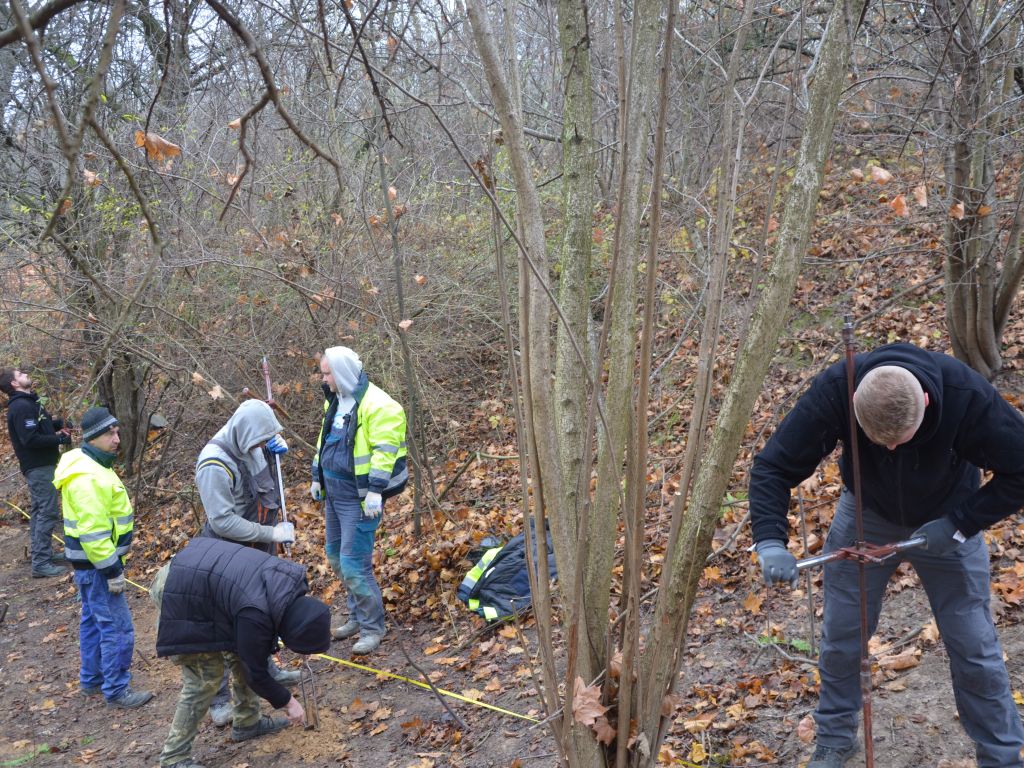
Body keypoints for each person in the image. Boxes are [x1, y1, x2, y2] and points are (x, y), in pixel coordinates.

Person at [749, 342, 1024, 768]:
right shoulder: (837, 389)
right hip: (866, 513)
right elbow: (773, 467)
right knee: (842, 634)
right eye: (880, 442)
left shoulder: (966, 398)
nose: (891, 450)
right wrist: (769, 540)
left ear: (927, 403)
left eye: (900, 440)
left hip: (948, 518)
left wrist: (961, 522)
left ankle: (1002, 756)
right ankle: (835, 739)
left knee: (973, 642)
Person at [151, 537, 331, 768]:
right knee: (206, 677)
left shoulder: (288, 587)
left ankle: (248, 723)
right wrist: (288, 703)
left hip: (208, 582)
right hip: (179, 590)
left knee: (242, 653)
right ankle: (173, 758)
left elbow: (253, 653)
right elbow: (255, 672)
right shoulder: (256, 611)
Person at [194, 398, 299, 723]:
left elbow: (264, 489)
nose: (259, 445)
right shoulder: (213, 465)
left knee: (261, 613)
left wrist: (270, 450)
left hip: (257, 547)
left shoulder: (250, 444)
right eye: (258, 440)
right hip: (228, 553)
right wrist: (272, 535)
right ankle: (219, 700)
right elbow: (223, 521)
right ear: (243, 432)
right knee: (225, 624)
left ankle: (266, 667)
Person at [53, 406, 153, 708]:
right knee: (117, 628)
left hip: (91, 567)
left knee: (94, 622)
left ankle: (93, 679)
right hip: (98, 568)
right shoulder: (86, 477)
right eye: (110, 433)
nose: (117, 438)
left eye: (117, 431)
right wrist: (112, 571)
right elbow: (94, 533)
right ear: (94, 437)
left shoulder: (93, 465)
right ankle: (116, 688)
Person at [311, 346, 407, 654]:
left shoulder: (380, 405)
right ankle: (356, 615)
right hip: (334, 496)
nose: (323, 379)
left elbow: (385, 450)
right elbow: (324, 440)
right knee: (336, 558)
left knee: (354, 564)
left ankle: (371, 628)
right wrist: (317, 476)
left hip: (360, 499)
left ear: (339, 373)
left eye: (326, 373)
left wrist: (376, 490)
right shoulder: (337, 401)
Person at [1, 368, 72, 578]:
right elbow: (30, 439)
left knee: (40, 510)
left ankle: (41, 553)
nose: (25, 374)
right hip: (38, 467)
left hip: (45, 464)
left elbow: (42, 426)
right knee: (47, 511)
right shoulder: (21, 407)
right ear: (14, 384)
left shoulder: (30, 402)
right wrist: (59, 439)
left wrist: (59, 425)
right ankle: (41, 562)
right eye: (20, 374)